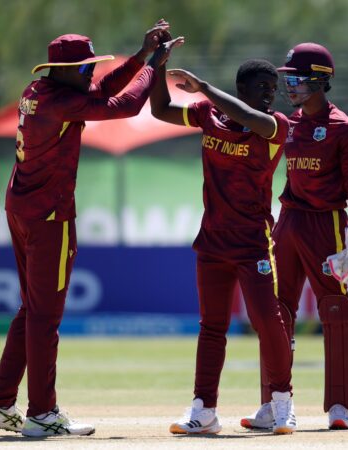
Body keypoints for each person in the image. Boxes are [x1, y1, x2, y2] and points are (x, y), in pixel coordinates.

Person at [0, 20, 181, 437]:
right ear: (67, 71)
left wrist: (141, 56)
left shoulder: (40, 91)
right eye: (86, 67)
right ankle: (42, 414)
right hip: (49, 217)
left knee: (31, 310)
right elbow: (123, 106)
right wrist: (154, 67)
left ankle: (0, 403)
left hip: (21, 207)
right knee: (44, 317)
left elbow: (102, 90)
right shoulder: (61, 102)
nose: (92, 73)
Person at [150, 57, 296, 435]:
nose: (270, 94)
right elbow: (160, 109)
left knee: (267, 321)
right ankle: (204, 410)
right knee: (212, 327)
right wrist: (156, 66)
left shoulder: (275, 125)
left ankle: (282, 402)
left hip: (253, 244)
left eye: (273, 89)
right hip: (213, 241)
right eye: (262, 87)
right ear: (241, 88)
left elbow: (248, 117)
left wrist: (203, 88)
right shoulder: (207, 115)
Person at [241, 42, 348, 431]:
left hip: (326, 224)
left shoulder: (344, 128)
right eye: (288, 79)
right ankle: (273, 403)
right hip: (289, 221)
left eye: (296, 79)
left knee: (336, 311)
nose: (289, 86)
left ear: (319, 80)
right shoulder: (288, 124)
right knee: (276, 312)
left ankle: (340, 406)